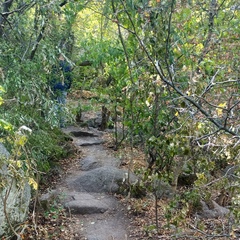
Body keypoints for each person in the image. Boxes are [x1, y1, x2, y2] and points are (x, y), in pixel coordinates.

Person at [50, 54, 73, 128]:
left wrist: (51, 86)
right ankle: (62, 123)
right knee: (62, 106)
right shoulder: (67, 66)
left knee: (55, 105)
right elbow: (70, 78)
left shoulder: (54, 65)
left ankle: (54, 123)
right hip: (63, 88)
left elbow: (50, 77)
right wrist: (67, 87)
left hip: (55, 88)